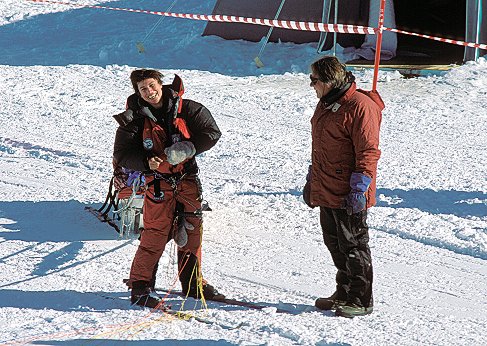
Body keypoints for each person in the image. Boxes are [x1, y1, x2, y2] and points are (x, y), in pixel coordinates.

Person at [112, 69, 224, 308]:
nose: (149, 92)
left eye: (152, 86)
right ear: (137, 92)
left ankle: (193, 284)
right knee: (155, 234)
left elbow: (212, 132)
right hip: (158, 184)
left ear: (160, 84)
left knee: (192, 233)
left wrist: (189, 148)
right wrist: (145, 162)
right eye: (143, 89)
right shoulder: (134, 119)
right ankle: (141, 286)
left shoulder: (187, 108)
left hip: (187, 180)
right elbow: (121, 154)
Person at [303, 56, 383, 318]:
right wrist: (312, 179)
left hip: (349, 191)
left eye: (314, 80)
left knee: (353, 244)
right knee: (334, 242)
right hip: (326, 186)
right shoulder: (327, 103)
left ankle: (361, 299)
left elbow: (368, 152)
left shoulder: (360, 107)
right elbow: (321, 147)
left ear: (328, 81)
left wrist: (359, 188)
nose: (311, 85)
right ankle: (344, 290)